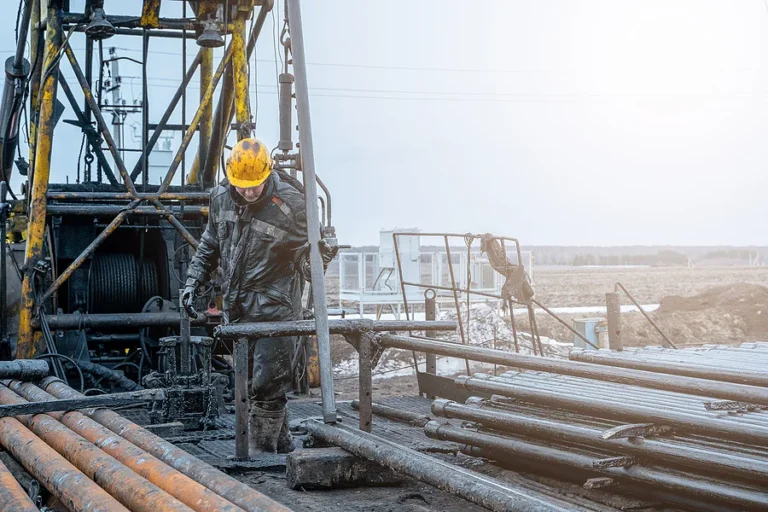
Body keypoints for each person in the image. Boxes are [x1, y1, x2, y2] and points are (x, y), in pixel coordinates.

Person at [182, 137, 334, 455]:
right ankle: (282, 447)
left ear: (268, 172)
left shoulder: (291, 204)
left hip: (275, 308)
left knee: (268, 382)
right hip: (237, 308)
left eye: (255, 185)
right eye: (242, 186)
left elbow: (305, 262)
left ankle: (262, 453)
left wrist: (319, 257)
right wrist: (193, 281)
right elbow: (210, 244)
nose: (249, 192)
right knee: (257, 382)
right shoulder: (221, 197)